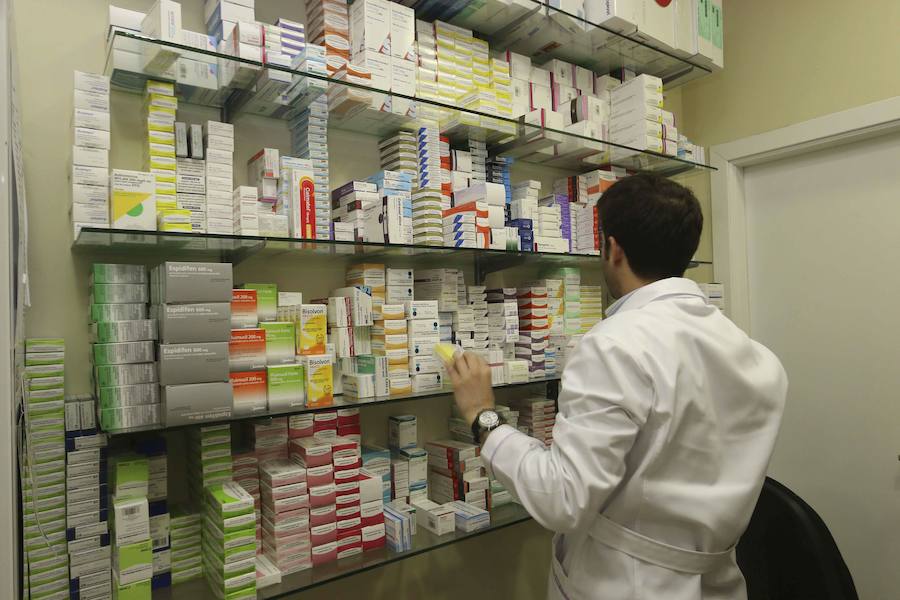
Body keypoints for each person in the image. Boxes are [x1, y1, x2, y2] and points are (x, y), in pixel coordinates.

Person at [444, 173, 788, 600]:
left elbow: (561, 500)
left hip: (627, 583)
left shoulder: (613, 345)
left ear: (612, 249)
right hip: (719, 584)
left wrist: (483, 416)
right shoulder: (757, 357)